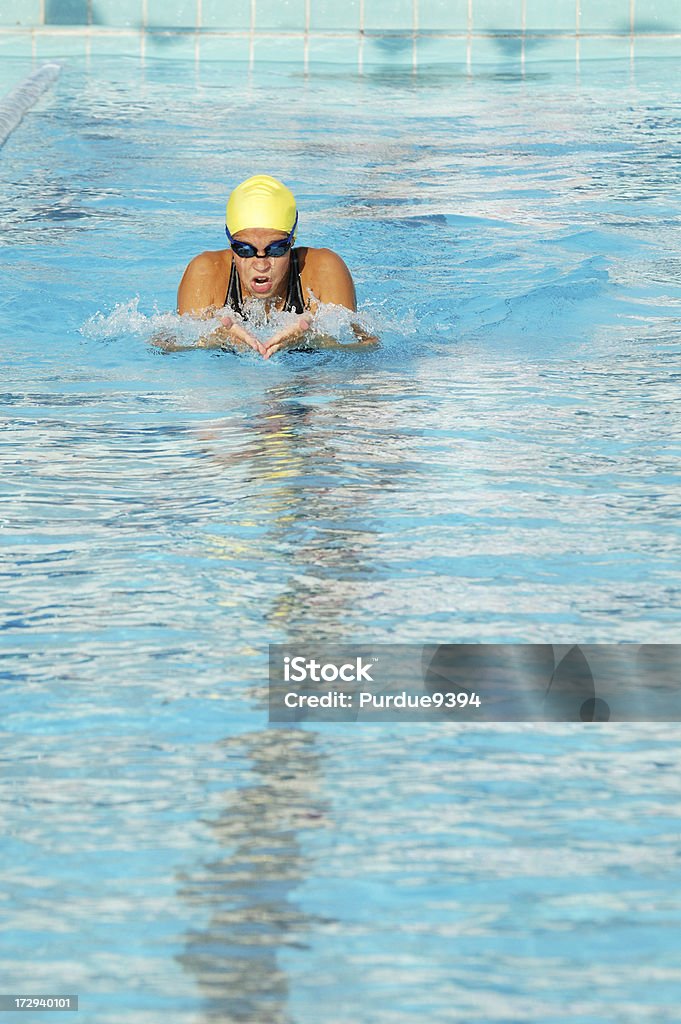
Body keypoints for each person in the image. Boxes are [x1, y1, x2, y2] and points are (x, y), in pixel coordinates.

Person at [177, 174, 375, 358]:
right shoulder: (206, 273)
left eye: (276, 249)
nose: (261, 264)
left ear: (292, 240)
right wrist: (214, 338)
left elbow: (366, 348)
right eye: (245, 249)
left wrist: (314, 337)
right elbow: (167, 345)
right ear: (230, 244)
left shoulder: (324, 270)